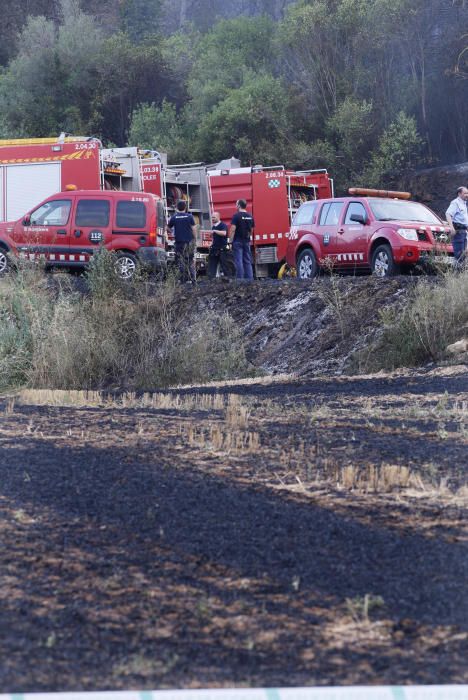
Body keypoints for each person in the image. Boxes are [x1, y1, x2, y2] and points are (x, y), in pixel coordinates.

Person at [166, 200, 197, 283]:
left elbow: (167, 228)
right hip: (189, 242)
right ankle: (193, 280)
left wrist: (173, 232)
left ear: (177, 207)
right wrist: (195, 238)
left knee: (180, 260)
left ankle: (182, 280)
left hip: (179, 243)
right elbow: (194, 229)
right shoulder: (190, 217)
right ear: (185, 207)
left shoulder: (174, 217)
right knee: (190, 260)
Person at [229, 199, 254, 280]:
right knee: (247, 261)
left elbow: (232, 229)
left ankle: (240, 280)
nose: (235, 206)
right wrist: (248, 237)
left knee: (238, 261)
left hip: (238, 241)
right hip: (246, 241)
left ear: (239, 205)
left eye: (236, 204)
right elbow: (252, 230)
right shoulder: (250, 216)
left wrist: (230, 241)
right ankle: (250, 279)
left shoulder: (236, 216)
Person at [208, 211, 236, 279]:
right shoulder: (214, 227)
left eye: (214, 217)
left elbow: (224, 233)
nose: (212, 219)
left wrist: (215, 231)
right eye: (212, 217)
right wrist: (211, 244)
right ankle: (211, 280)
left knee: (225, 265)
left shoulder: (223, 225)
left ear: (218, 217)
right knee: (212, 265)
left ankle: (229, 280)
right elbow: (215, 238)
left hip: (222, 249)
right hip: (215, 249)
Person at [446, 186, 468, 266]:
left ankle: (460, 274)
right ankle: (455, 275)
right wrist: (451, 227)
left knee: (464, 254)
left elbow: (464, 219)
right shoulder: (455, 203)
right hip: (458, 231)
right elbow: (448, 214)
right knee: (459, 254)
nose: (467, 195)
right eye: (465, 193)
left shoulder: (464, 203)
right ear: (459, 194)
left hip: (464, 232)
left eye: (467, 193)